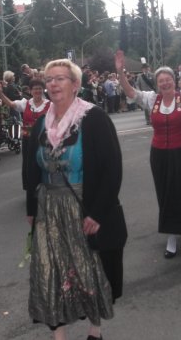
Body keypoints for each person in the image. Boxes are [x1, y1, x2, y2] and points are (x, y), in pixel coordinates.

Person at [26, 58, 126, 340]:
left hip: (83, 205)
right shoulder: (42, 122)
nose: (53, 84)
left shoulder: (93, 118)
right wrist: (31, 208)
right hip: (48, 208)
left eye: (60, 78)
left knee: (88, 269)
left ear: (75, 84)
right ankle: (59, 333)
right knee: (51, 270)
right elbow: (31, 169)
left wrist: (97, 213)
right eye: (49, 79)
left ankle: (95, 329)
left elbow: (112, 169)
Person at [115, 45, 181, 258]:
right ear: (157, 84)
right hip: (159, 153)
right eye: (161, 81)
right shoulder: (152, 99)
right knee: (166, 192)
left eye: (168, 79)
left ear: (174, 80)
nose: (165, 83)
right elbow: (130, 92)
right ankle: (171, 236)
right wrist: (120, 72)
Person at [0, 78, 50, 190]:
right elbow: (10, 104)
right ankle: (30, 186)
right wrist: (0, 93)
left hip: (43, 139)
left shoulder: (50, 105)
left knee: (43, 161)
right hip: (28, 138)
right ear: (30, 90)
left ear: (43, 90)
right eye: (35, 89)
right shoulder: (25, 103)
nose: (37, 91)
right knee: (29, 162)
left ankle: (44, 184)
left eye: (40, 89)